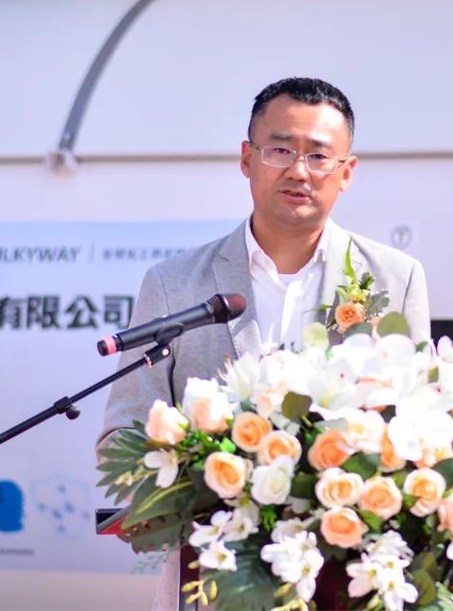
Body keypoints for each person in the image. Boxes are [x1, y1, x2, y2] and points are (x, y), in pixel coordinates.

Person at [97, 77, 430, 610]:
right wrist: (186, 486)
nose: (299, 170)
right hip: (215, 574)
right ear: (246, 159)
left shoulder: (394, 278)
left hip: (350, 573)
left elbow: (421, 423)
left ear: (346, 172)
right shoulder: (175, 284)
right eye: (280, 149)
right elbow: (124, 431)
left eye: (318, 155)